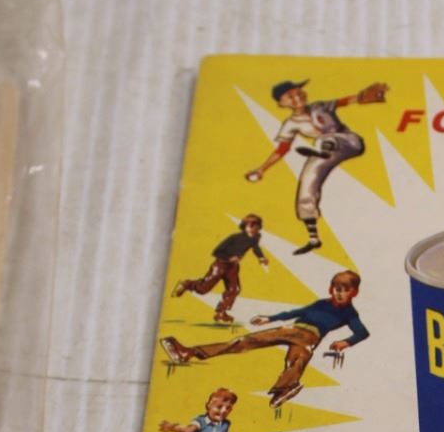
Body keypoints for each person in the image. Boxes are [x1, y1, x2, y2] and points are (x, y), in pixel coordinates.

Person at [161, 269, 367, 406]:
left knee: (296, 360)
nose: (339, 294)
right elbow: (295, 312)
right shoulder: (321, 304)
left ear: (354, 293)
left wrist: (345, 342)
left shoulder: (349, 313)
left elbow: (362, 332)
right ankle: (189, 352)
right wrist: (269, 318)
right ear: (331, 289)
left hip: (310, 337)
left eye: (345, 291)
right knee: (245, 342)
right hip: (292, 329)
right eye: (337, 289)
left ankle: (284, 389)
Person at [243, 78, 388, 255]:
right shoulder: (290, 124)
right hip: (325, 151)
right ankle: (313, 238)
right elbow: (282, 149)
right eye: (290, 96)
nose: (297, 97)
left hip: (348, 141)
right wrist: (261, 169)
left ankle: (323, 149)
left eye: (298, 92)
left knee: (323, 139)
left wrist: (360, 97)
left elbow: (344, 101)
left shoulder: (319, 106)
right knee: (307, 180)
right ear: (282, 104)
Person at [173, 214, 268, 322]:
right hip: (220, 265)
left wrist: (261, 257)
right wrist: (229, 258)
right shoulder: (234, 237)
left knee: (234, 290)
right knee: (203, 289)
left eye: (256, 227)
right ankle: (187, 284)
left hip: (233, 267)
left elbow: (255, 248)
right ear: (244, 226)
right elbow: (216, 251)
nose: (253, 230)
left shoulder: (255, 238)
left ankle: (221, 313)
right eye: (251, 226)